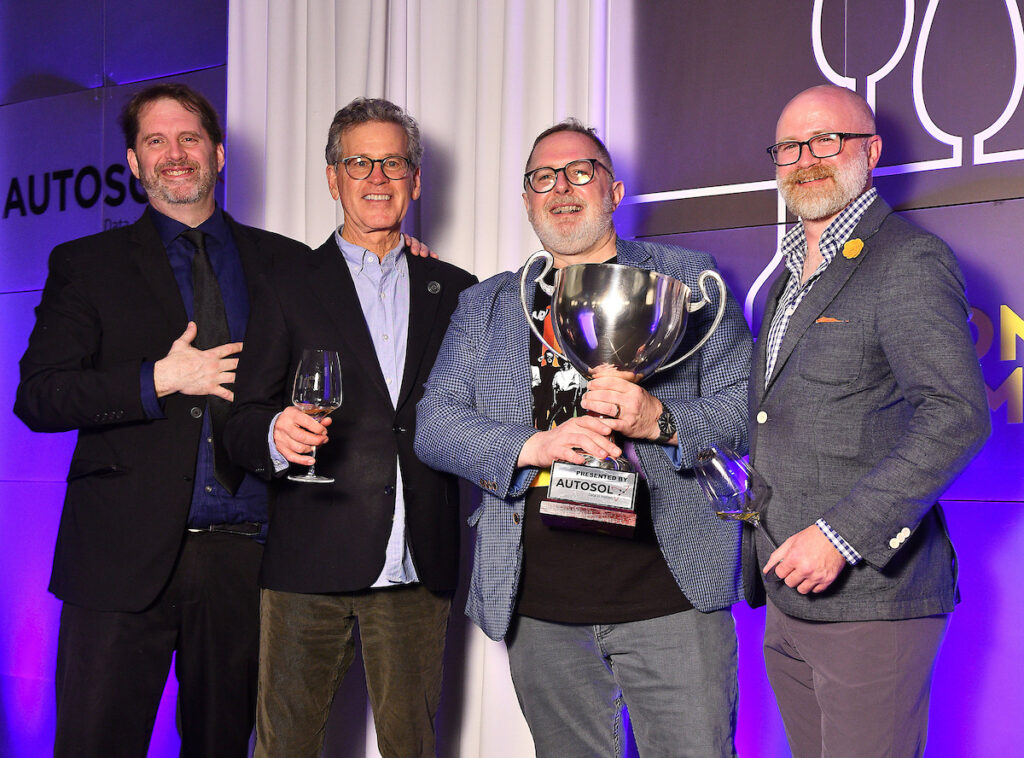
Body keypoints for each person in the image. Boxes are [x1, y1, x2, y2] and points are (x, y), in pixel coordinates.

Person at [415, 119, 752, 757]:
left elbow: (745, 409)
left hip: (671, 596)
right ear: (526, 200)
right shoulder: (488, 306)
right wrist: (531, 446)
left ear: (615, 191)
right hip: (542, 608)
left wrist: (660, 420)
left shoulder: (690, 281)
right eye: (543, 177)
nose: (561, 187)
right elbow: (435, 424)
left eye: (581, 172)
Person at [13, 83, 309, 757]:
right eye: (156, 141)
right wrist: (159, 380)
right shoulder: (85, 266)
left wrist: (401, 252)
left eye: (190, 139)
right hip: (117, 559)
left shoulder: (289, 263)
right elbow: (40, 397)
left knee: (221, 746)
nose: (175, 154)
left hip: (247, 555)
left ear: (219, 153)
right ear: (132, 163)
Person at [223, 97, 476, 758]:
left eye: (392, 162)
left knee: (411, 748)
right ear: (333, 178)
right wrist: (275, 433)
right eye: (358, 162)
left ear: (416, 181)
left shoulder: (456, 291)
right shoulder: (286, 284)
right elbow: (239, 422)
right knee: (287, 747)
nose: (376, 177)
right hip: (307, 564)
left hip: (418, 564)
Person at [747, 84, 991, 757]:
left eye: (827, 140)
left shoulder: (908, 261)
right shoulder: (786, 277)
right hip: (787, 594)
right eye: (790, 146)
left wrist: (840, 536)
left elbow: (957, 415)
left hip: (870, 599)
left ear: (871, 150)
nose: (806, 158)